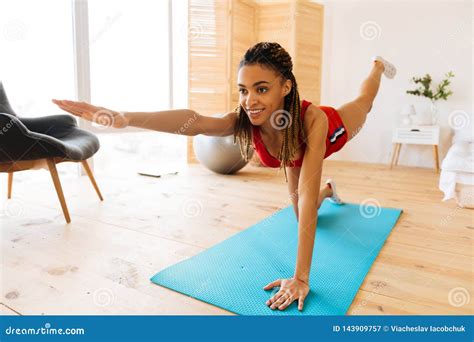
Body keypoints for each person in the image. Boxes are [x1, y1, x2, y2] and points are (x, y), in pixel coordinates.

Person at [53, 42, 396, 312]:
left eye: (261, 89)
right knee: (299, 214)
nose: (250, 100)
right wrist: (125, 118)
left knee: (363, 102)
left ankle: (377, 66)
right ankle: (330, 190)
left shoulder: (315, 120)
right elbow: (195, 121)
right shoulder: (245, 118)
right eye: (243, 89)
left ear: (286, 86)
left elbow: (306, 198)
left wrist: (300, 278)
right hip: (294, 153)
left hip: (330, 134)